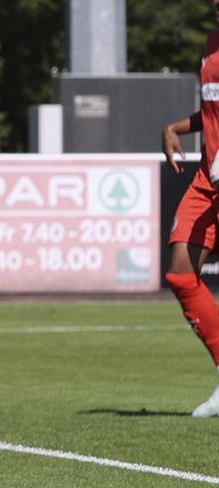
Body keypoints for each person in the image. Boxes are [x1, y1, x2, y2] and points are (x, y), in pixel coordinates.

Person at [162, 0, 219, 417]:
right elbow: (211, 113)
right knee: (182, 273)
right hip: (208, 178)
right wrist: (176, 127)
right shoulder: (211, 43)